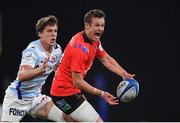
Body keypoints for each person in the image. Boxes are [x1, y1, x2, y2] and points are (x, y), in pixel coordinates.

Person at [50, 9, 135, 122]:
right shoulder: (79, 48)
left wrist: (123, 73)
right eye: (97, 25)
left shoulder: (94, 40)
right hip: (63, 95)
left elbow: (106, 59)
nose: (100, 29)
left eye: (102, 25)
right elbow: (77, 81)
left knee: (72, 120)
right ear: (87, 26)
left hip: (71, 91)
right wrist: (102, 94)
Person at [1, 15, 72, 122]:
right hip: (17, 98)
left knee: (69, 115)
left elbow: (59, 73)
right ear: (40, 34)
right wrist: (40, 70)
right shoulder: (32, 50)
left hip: (36, 98)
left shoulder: (57, 50)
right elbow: (22, 76)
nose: (53, 34)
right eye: (49, 31)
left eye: (55, 31)